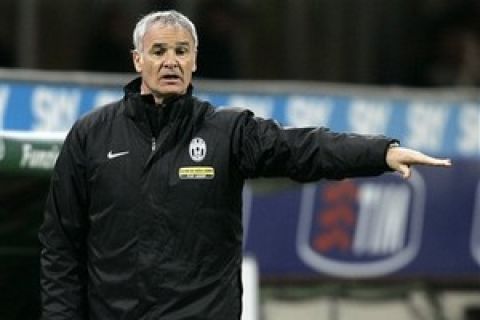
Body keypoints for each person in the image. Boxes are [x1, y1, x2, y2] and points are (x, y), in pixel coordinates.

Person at [38, 10, 451, 320]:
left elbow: (302, 148)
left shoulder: (227, 131)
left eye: (181, 51)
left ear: (195, 61)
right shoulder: (91, 135)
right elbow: (60, 244)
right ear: (137, 61)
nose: (170, 61)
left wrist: (380, 152)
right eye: (159, 51)